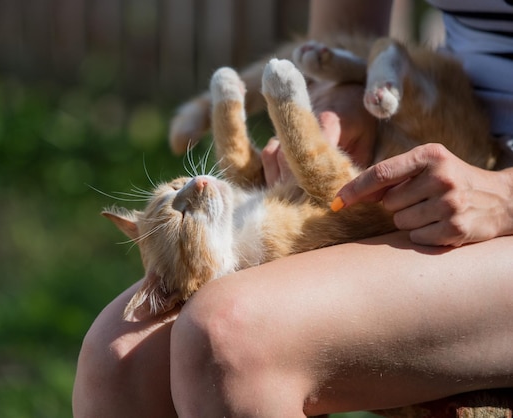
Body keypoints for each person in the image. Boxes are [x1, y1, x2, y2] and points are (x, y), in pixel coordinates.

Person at [72, 1, 513, 416]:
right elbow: (329, 45)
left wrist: (503, 194)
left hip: (496, 193)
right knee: (115, 358)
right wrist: (336, 95)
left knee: (227, 334)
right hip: (425, 116)